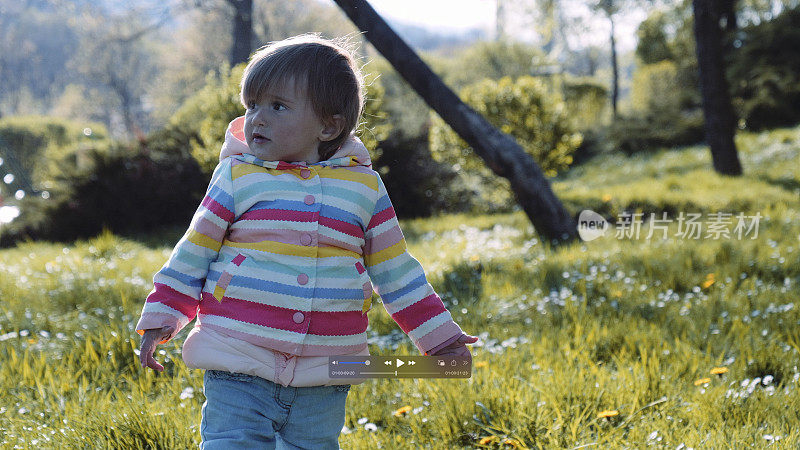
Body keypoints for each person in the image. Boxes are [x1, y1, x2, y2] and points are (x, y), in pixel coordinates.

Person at [136, 33, 478, 449]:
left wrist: (439, 338)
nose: (257, 118)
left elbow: (397, 271)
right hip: (238, 354)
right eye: (252, 105)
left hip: (327, 368)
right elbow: (194, 251)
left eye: (277, 106)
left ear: (329, 125)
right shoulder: (237, 177)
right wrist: (161, 316)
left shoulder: (364, 188)